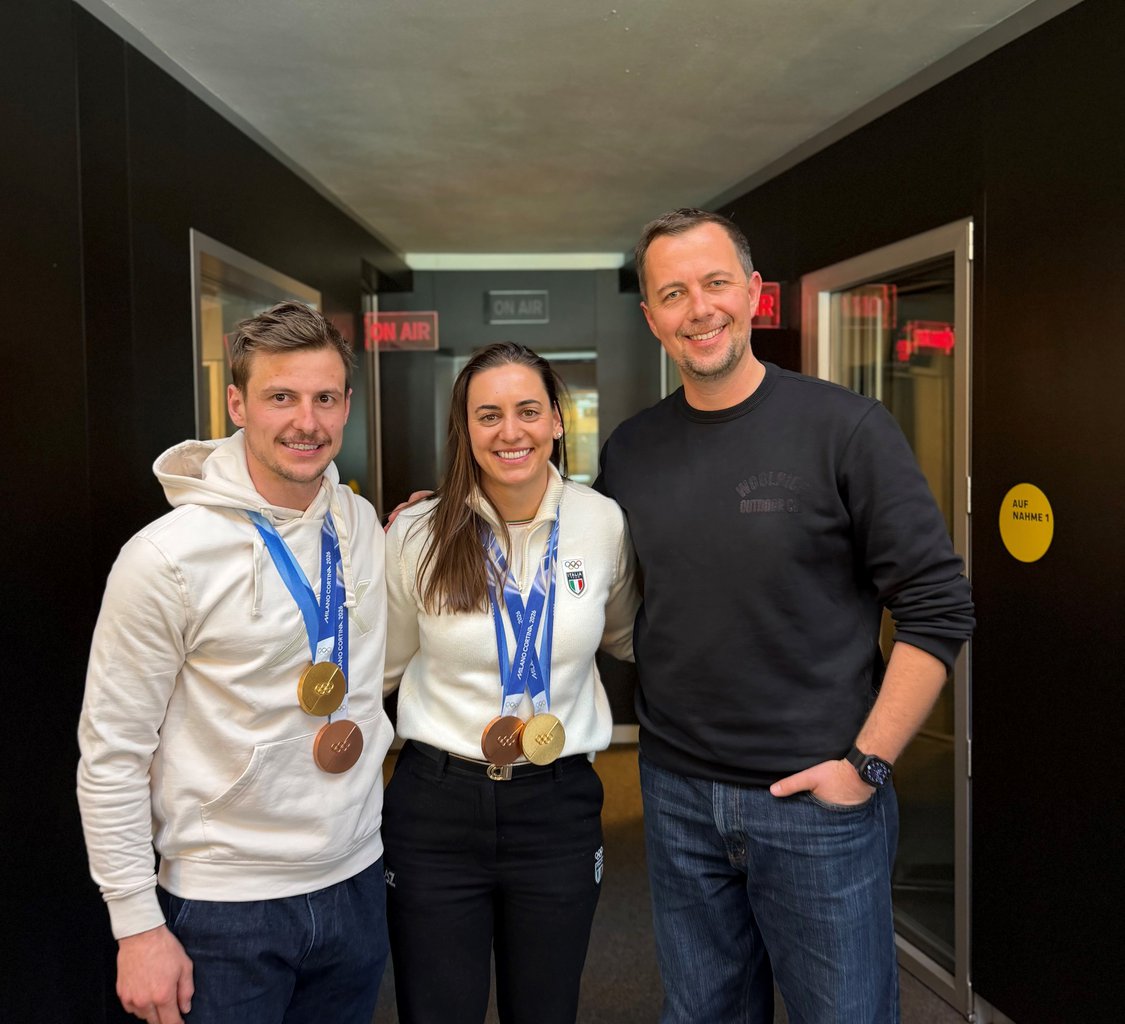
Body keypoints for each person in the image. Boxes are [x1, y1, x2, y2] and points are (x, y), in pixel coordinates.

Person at [595, 209, 975, 1024]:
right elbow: (573, 557)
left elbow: (937, 607)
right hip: (675, 793)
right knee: (702, 1013)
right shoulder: (628, 451)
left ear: (754, 294)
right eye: (673, 293)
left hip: (817, 801)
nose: (698, 308)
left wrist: (865, 766)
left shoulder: (846, 429)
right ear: (652, 318)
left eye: (715, 283)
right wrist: (442, 518)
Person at [77, 301, 393, 1024]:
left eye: (324, 398)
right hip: (225, 905)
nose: (306, 421)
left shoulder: (359, 526)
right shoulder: (164, 558)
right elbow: (113, 752)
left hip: (355, 878)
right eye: (281, 397)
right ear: (236, 404)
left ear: (347, 406)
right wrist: (136, 925)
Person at [382, 342, 639, 1024]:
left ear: (556, 419)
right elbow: (382, 666)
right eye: (488, 415)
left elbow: (624, 634)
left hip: (556, 804)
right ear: (465, 428)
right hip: (436, 806)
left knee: (545, 1009)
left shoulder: (601, 522)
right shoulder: (417, 533)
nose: (510, 432)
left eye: (527, 410)